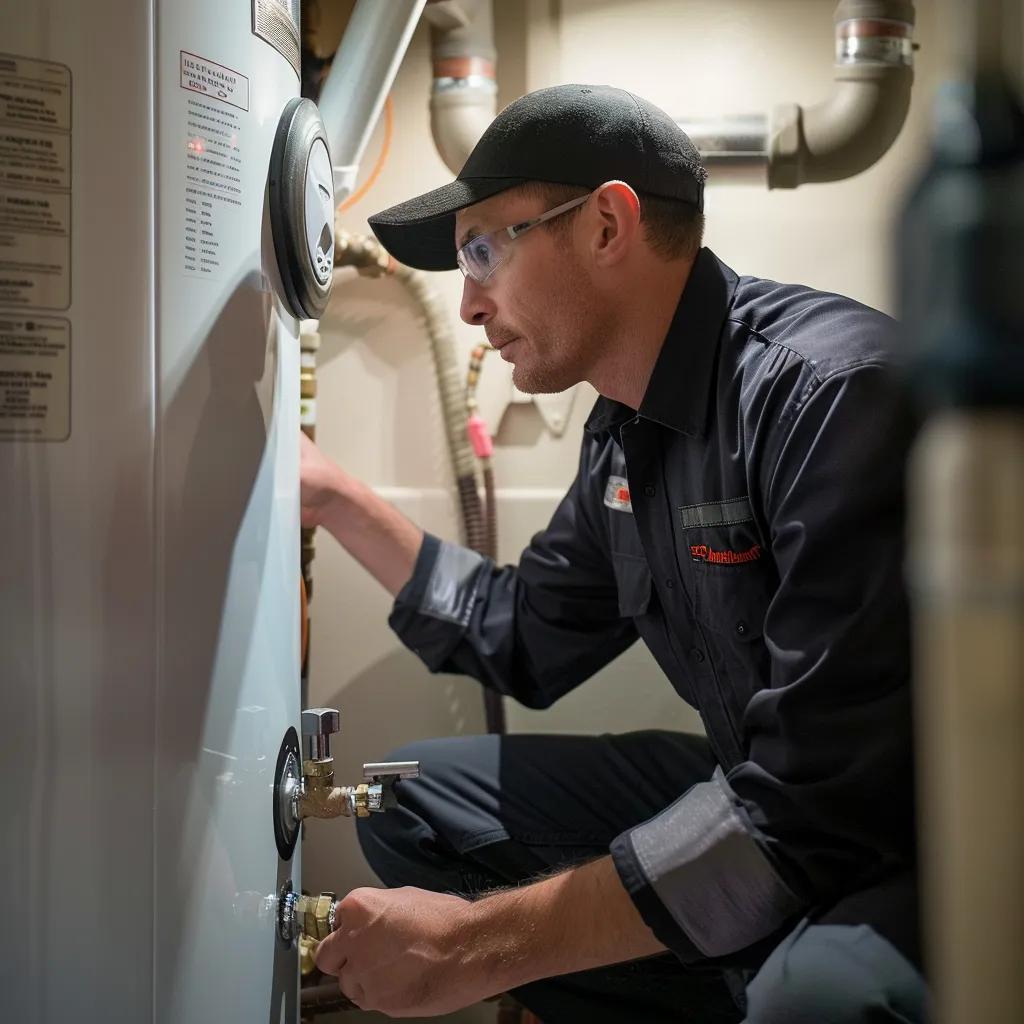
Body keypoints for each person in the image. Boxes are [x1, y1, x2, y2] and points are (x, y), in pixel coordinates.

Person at [301, 84, 927, 1023]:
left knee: (819, 1003)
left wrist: (473, 949)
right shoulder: (622, 437)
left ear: (605, 224)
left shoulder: (828, 398)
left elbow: (817, 808)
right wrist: (336, 499)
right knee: (412, 804)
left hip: (904, 841)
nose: (469, 304)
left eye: (482, 251)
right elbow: (522, 637)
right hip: (771, 799)